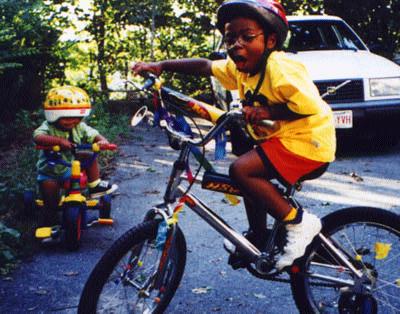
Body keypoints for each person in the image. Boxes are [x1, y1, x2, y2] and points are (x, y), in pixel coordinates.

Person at [131, 0, 336, 271]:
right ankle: (260, 237)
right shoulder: (242, 70)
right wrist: (161, 65)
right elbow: (206, 65)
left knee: (242, 171)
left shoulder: (280, 67)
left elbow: (308, 107)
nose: (236, 44)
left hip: (308, 142)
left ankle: (298, 222)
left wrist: (265, 110)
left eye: (247, 37)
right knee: (249, 176)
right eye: (230, 38)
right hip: (284, 140)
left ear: (271, 41)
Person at [33, 86, 118, 227]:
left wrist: (102, 141)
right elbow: (37, 137)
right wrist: (59, 141)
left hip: (70, 169)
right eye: (67, 118)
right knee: (51, 204)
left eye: (77, 118)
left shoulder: (80, 127)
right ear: (54, 115)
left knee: (88, 155)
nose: (73, 122)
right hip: (49, 172)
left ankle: (95, 185)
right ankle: (52, 222)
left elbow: (93, 133)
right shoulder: (48, 127)